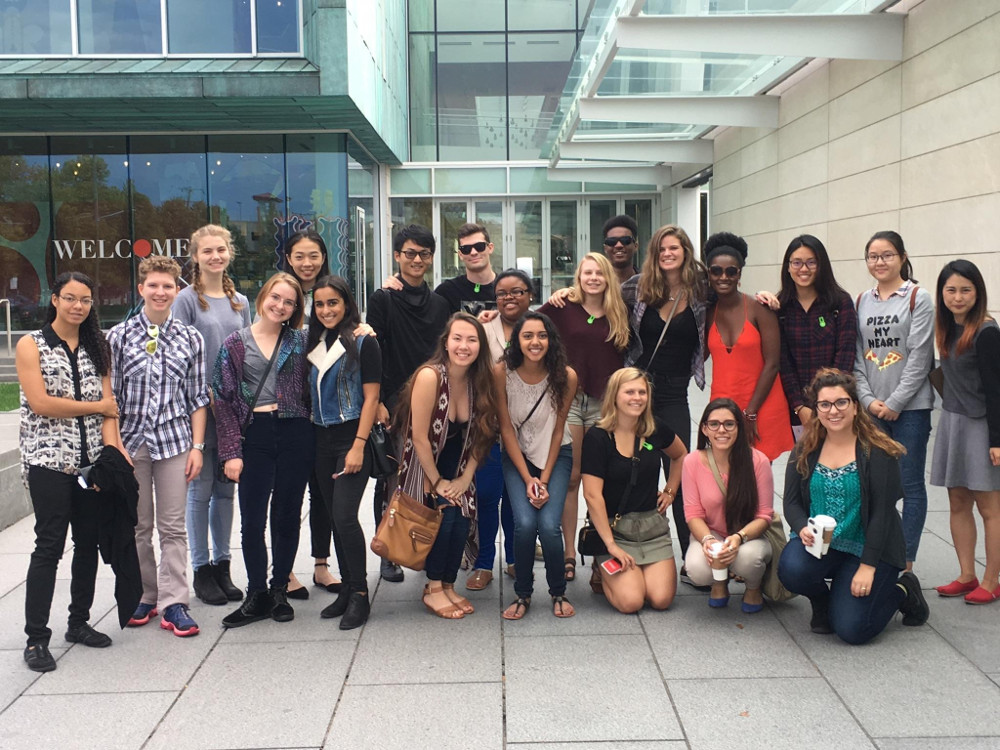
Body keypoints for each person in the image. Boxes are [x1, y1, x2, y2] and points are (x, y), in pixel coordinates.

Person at [17, 272, 124, 672]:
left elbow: (110, 402)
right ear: (55, 299)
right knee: (48, 546)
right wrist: (95, 408)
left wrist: (113, 450)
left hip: (91, 463)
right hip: (48, 461)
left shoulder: (99, 347)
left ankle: (78, 622)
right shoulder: (31, 344)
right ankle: (35, 639)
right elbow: (42, 403)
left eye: (85, 300)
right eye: (70, 298)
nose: (78, 306)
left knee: (88, 543)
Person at [778, 368, 930, 644]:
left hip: (870, 548)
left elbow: (883, 514)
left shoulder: (877, 452)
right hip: (824, 546)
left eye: (841, 402)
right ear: (817, 409)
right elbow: (791, 503)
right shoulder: (805, 450)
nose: (833, 411)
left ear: (855, 406)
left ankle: (903, 591)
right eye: (824, 404)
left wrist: (868, 567)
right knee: (791, 568)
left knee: (852, 630)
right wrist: (801, 528)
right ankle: (824, 602)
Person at [108, 256, 209, 638]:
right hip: (130, 444)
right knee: (137, 525)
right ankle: (145, 594)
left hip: (173, 442)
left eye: (168, 286)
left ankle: (175, 602)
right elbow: (111, 396)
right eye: (153, 285)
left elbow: (197, 396)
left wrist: (197, 446)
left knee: (172, 526)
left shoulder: (190, 338)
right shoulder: (118, 337)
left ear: (177, 290)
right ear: (141, 289)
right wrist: (114, 445)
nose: (161, 292)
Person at [214, 273, 314, 627]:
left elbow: (338, 350)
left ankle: (279, 590)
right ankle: (256, 592)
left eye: (289, 302)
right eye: (276, 297)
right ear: (262, 298)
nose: (280, 306)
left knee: (287, 515)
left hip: (295, 431)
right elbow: (223, 399)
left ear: (295, 308)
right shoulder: (235, 343)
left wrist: (363, 331)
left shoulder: (301, 341)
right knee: (252, 518)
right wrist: (231, 452)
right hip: (253, 434)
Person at [392, 313, 499, 619]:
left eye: (472, 339)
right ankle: (433, 588)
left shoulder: (480, 380)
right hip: (425, 468)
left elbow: (483, 434)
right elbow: (419, 438)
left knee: (462, 518)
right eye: (457, 338)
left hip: (461, 468)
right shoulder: (430, 376)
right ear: (446, 342)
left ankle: (449, 585)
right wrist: (438, 482)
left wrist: (466, 479)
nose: (464, 346)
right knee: (446, 518)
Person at [622, 224, 708, 587]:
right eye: (662, 250)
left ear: (686, 251)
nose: (668, 254)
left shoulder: (702, 291)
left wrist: (768, 296)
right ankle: (630, 548)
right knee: (635, 470)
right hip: (639, 392)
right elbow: (596, 300)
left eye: (675, 248)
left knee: (682, 468)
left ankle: (690, 554)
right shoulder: (637, 289)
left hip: (675, 392)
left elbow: (736, 298)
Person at [368, 224, 452, 582]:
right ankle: (386, 549)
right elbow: (373, 350)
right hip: (394, 402)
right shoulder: (383, 298)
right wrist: (378, 403)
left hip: (434, 402)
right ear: (397, 256)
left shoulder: (440, 303)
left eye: (424, 254)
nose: (416, 260)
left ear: (431, 258)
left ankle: (423, 543)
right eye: (410, 253)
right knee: (392, 478)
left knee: (430, 473)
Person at [173, 224, 251, 606]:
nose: (215, 256)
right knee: (199, 490)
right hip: (200, 408)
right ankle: (201, 569)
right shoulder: (186, 300)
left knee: (225, 490)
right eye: (207, 251)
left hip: (233, 409)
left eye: (221, 249)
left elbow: (249, 351)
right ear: (196, 256)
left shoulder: (241, 302)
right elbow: (178, 353)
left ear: (229, 252)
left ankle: (223, 564)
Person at [539, 252, 629, 581]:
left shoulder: (621, 311)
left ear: (607, 277)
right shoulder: (563, 308)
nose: (593, 278)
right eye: (586, 272)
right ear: (578, 277)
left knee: (601, 481)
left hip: (606, 404)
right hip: (571, 400)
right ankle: (568, 552)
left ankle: (598, 550)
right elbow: (529, 324)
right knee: (574, 478)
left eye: (598, 273)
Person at [854, 231, 934, 571]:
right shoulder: (862, 300)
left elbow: (919, 357)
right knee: (872, 484)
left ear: (902, 257)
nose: (879, 262)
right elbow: (857, 356)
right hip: (872, 410)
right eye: (873, 256)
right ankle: (875, 550)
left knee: (910, 484)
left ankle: (906, 561)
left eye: (886, 255)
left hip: (911, 410)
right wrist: (869, 400)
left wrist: (896, 402)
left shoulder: (918, 297)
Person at [581, 368, 687, 614]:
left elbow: (681, 455)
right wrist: (610, 545)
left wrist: (670, 490)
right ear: (614, 396)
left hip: (651, 528)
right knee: (631, 602)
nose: (637, 398)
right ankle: (601, 567)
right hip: (613, 530)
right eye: (629, 392)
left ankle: (630, 572)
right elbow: (592, 495)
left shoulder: (654, 428)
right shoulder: (597, 437)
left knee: (661, 600)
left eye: (642, 392)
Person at [308, 275, 381, 628]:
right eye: (319, 304)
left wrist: (358, 446)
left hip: (352, 440)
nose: (326, 310)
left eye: (333, 303)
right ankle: (347, 588)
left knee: (347, 516)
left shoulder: (364, 340)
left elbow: (371, 398)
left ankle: (361, 595)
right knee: (336, 518)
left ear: (347, 303)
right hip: (321, 441)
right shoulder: (316, 339)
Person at [497, 312, 577, 619]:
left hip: (556, 456)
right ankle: (523, 594)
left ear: (551, 340)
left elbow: (559, 430)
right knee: (526, 524)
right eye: (527, 335)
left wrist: (542, 480)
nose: (535, 342)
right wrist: (527, 477)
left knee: (548, 526)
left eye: (542, 335)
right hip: (517, 456)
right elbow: (505, 428)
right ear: (517, 340)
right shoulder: (501, 372)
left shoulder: (565, 376)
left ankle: (558, 591)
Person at [930, 260, 1000, 603]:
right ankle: (967, 574)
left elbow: (997, 389)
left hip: (982, 425)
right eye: (951, 290)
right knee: (957, 502)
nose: (957, 297)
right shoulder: (947, 328)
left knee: (990, 508)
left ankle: (991, 580)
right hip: (953, 421)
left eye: (965, 290)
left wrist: (997, 440)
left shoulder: (987, 332)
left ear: (978, 292)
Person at [469, 268, 535, 587]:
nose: (508, 298)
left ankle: (512, 558)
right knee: (486, 493)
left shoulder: (541, 329)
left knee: (515, 496)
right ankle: (483, 563)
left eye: (516, 291)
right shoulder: (482, 329)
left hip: (528, 429)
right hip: (488, 426)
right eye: (501, 293)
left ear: (530, 295)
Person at [281, 229, 337, 598]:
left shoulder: (332, 291)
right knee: (288, 494)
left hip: (324, 411)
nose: (307, 263)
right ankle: (283, 570)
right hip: (287, 410)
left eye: (313, 255)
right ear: (288, 258)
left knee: (324, 492)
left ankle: (321, 565)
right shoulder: (281, 292)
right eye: (300, 256)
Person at [703, 232, 793, 461]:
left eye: (731, 271)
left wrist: (750, 413)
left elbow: (772, 364)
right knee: (725, 478)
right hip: (722, 406)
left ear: (739, 273)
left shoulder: (759, 309)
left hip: (761, 405)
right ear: (709, 274)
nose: (724, 277)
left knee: (758, 478)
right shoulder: (705, 313)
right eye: (716, 271)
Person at [682, 399, 774, 613]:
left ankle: (753, 586)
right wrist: (707, 540)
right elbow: (693, 513)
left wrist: (739, 538)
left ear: (739, 428)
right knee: (696, 569)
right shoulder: (692, 461)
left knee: (748, 559)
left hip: (749, 534)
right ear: (704, 429)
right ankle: (718, 581)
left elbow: (764, 515)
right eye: (714, 424)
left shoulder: (758, 461)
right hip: (712, 533)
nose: (721, 430)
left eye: (729, 424)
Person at [772, 235, 857, 436]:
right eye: (797, 263)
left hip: (837, 405)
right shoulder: (780, 307)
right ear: (788, 266)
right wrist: (799, 407)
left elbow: (845, 354)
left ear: (822, 265)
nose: (804, 269)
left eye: (811, 262)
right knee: (804, 463)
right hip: (798, 409)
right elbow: (782, 362)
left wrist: (828, 402)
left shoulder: (840, 303)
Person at [602, 214, 640, 285]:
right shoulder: (597, 285)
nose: (618, 245)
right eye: (612, 241)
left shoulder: (648, 284)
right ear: (605, 248)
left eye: (625, 240)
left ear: (636, 246)